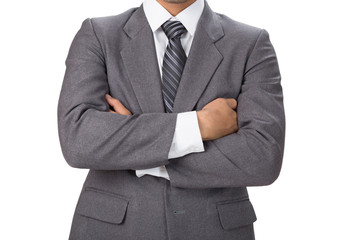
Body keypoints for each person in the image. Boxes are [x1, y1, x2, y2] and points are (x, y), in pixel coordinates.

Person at [57, 0, 285, 239]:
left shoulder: (250, 43)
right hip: (111, 229)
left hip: (214, 230)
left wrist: (135, 148)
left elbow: (263, 157)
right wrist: (198, 126)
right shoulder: (98, 35)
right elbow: (78, 140)